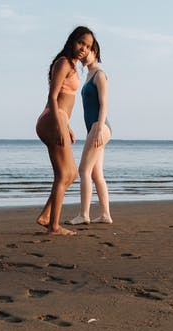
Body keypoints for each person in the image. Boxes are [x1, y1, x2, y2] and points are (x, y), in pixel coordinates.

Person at [35, 27, 94, 236]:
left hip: (58, 119)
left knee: (70, 174)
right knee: (63, 175)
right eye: (81, 43)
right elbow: (53, 97)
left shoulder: (73, 66)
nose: (83, 49)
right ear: (72, 41)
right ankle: (54, 226)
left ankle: (45, 216)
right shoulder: (64, 63)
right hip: (53, 119)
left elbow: (63, 98)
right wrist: (60, 124)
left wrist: (66, 125)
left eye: (88, 46)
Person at [70, 44, 112, 225]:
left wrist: (98, 129)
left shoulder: (99, 75)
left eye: (89, 50)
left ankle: (84, 214)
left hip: (99, 126)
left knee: (83, 170)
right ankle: (105, 215)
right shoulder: (88, 75)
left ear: (95, 52)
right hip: (95, 127)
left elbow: (104, 105)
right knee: (96, 174)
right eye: (82, 52)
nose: (84, 54)